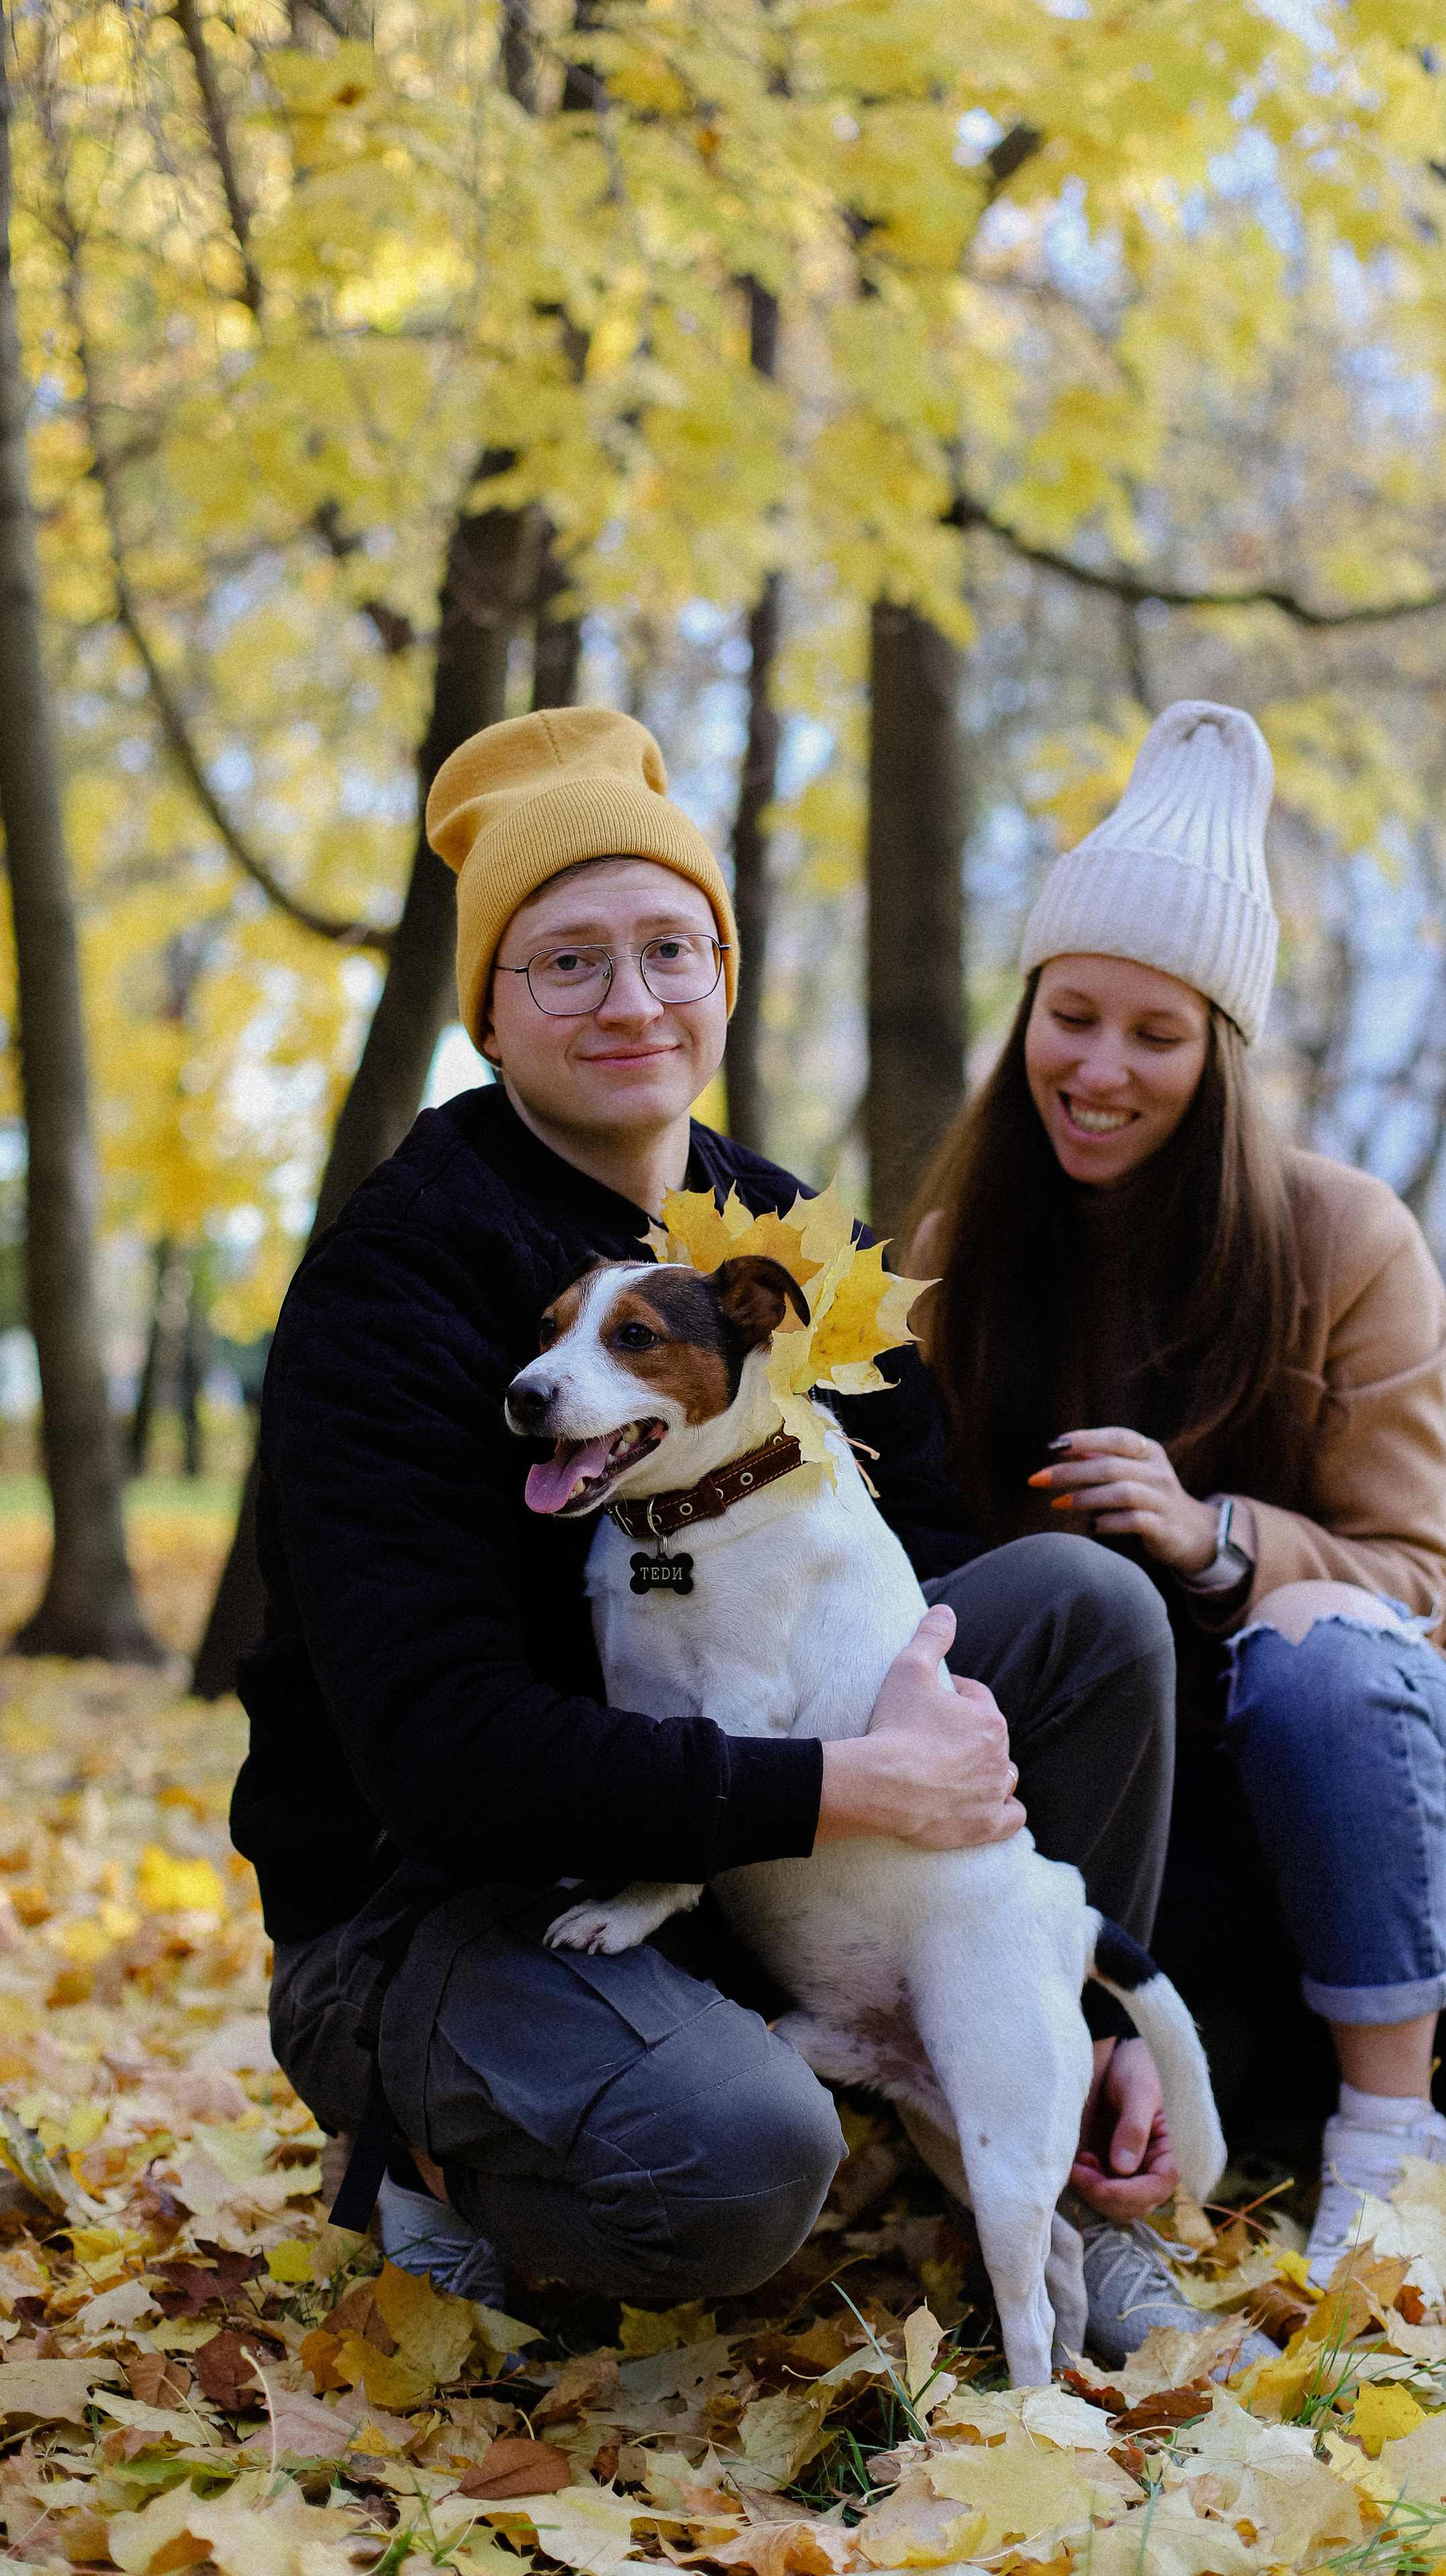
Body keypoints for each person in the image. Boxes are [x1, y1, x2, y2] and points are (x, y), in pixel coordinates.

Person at [232, 705, 1202, 2355]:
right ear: (489, 1010)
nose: (631, 1001)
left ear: (724, 976)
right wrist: (845, 1786)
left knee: (1082, 1606)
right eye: (567, 964)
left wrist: (1050, 1986)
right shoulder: (396, 1279)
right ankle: (428, 2158)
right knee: (736, 2162)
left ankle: (1034, 2151)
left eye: (669, 949)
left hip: (739, 1861)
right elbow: (435, 1752)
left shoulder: (777, 1247)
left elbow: (922, 1558)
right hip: (448, 1895)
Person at [909, 699, 1446, 2285]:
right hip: (1143, 1826)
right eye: (1071, 1017)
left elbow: (1413, 1571)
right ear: (1026, 1017)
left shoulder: (1340, 1237)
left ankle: (1391, 2130)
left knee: (1318, 1648)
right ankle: (1110, 2072)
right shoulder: (954, 1260)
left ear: (1221, 1055)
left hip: (1373, 1785)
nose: (1099, 1069)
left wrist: (1217, 1541)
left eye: (1155, 1035)